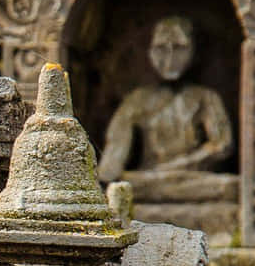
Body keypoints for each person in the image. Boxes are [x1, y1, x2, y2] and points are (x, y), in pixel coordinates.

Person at [97, 15, 234, 182]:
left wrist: (180, 165)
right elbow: (114, 155)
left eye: (179, 48)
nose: (170, 58)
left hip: (191, 180)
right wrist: (105, 182)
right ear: (149, 51)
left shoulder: (206, 97)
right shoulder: (136, 100)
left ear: (195, 51)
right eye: (161, 48)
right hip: (149, 181)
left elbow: (222, 145)